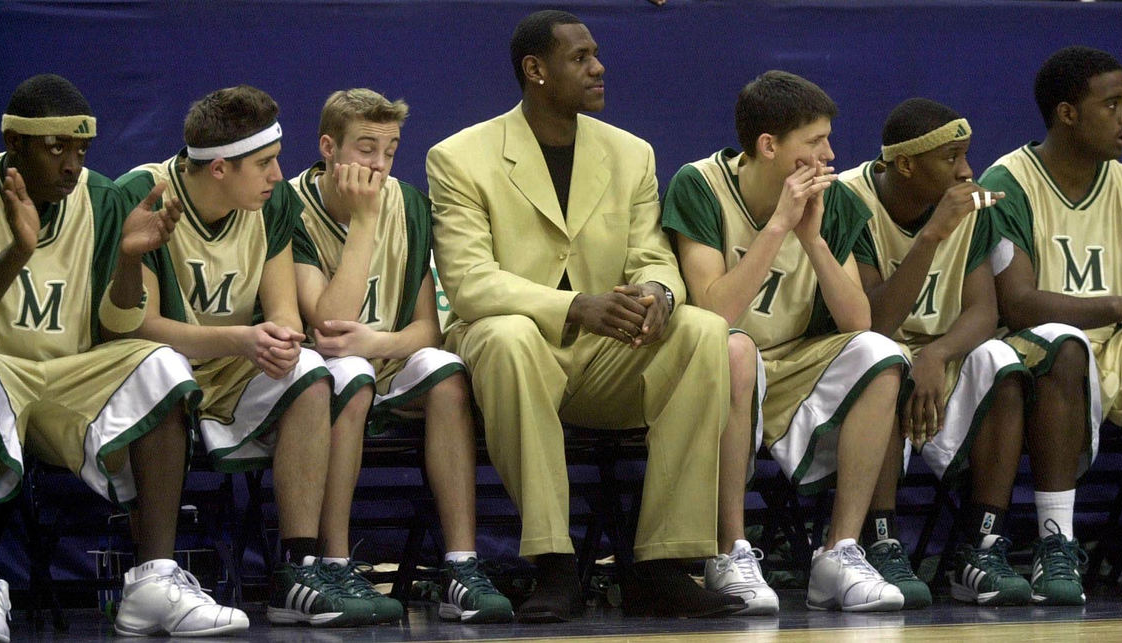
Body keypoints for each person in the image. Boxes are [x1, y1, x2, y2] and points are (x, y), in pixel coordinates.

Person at [426, 10, 743, 622]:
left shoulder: (631, 153)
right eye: (580, 57)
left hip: (604, 355)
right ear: (535, 70)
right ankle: (554, 562)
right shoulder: (460, 157)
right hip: (514, 351)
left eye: (596, 54)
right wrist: (576, 305)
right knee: (509, 333)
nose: (598, 67)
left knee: (704, 330)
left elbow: (654, 257)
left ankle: (660, 566)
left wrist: (656, 295)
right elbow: (469, 283)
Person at [117, 85, 397, 627]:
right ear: (219, 168)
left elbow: (285, 314)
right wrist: (243, 339)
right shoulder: (144, 191)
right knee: (163, 366)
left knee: (311, 371)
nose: (277, 176)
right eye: (265, 164)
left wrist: (279, 339)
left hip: (231, 366)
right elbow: (138, 326)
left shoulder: (273, 205)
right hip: (148, 367)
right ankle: (155, 574)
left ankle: (297, 571)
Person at [0, 74, 247, 639]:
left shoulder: (100, 196)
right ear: (15, 142)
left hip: (72, 374)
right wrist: (19, 251)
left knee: (160, 363)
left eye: (81, 150)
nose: (72, 165)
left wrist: (129, 259)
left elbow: (116, 325)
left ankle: (153, 580)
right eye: (57, 148)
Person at [662, 70, 906, 612]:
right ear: (769, 146)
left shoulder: (834, 200)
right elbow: (712, 312)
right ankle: (729, 551)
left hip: (794, 361)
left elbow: (858, 323)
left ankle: (839, 553)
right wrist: (777, 227)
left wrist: (812, 238)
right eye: (815, 142)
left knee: (883, 353)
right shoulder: (699, 184)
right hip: (714, 366)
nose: (830, 153)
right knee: (732, 346)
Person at [290, 88, 513, 624]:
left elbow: (427, 330)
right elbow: (325, 322)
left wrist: (377, 343)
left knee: (444, 370)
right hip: (320, 379)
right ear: (328, 146)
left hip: (383, 361)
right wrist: (365, 222)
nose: (380, 164)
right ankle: (337, 562)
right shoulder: (290, 206)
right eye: (366, 148)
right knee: (350, 372)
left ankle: (461, 566)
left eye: (390, 150)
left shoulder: (410, 203)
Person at [981, 45, 1122, 605]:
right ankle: (1055, 543)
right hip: (1036, 349)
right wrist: (1119, 306)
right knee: (1063, 347)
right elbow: (1015, 303)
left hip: (1120, 345)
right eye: (1111, 104)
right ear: (1067, 113)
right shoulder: (1010, 182)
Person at [841, 98, 1034, 606]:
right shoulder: (847, 199)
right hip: (862, 353)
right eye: (951, 157)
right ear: (906, 164)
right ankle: (881, 542)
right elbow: (874, 318)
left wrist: (938, 355)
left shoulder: (971, 208)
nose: (967, 170)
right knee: (879, 357)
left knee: (1002, 362)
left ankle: (981, 547)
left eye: (965, 155)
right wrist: (931, 236)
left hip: (937, 355)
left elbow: (983, 312)